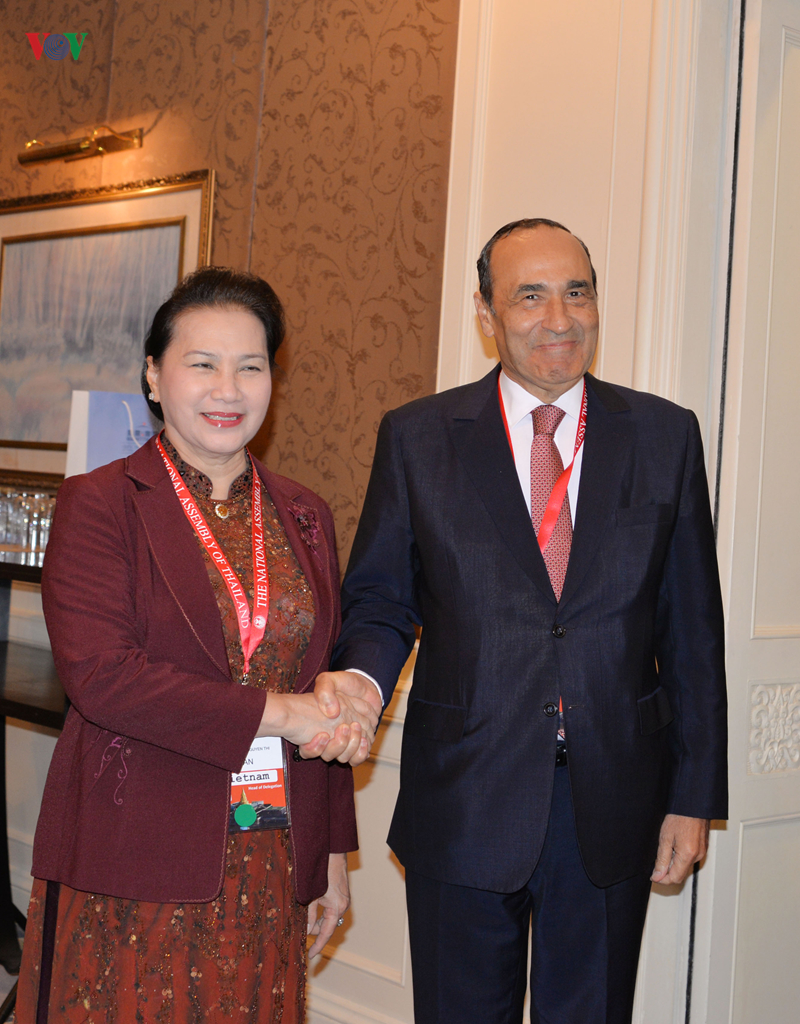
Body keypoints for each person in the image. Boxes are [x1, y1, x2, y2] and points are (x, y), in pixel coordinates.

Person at [313, 219, 728, 1024]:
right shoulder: (418, 437)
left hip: (612, 799)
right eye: (530, 297)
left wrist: (692, 796)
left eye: (577, 293)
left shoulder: (665, 435)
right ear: (486, 312)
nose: (559, 319)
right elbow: (382, 599)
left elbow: (692, 631)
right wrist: (361, 681)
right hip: (466, 792)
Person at [15, 267, 378, 1023]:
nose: (228, 390)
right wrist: (280, 713)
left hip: (271, 854)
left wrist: (330, 853)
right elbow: (103, 678)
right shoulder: (101, 503)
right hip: (137, 852)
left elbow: (318, 677)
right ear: (154, 375)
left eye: (251, 367)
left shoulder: (304, 515)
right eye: (202, 364)